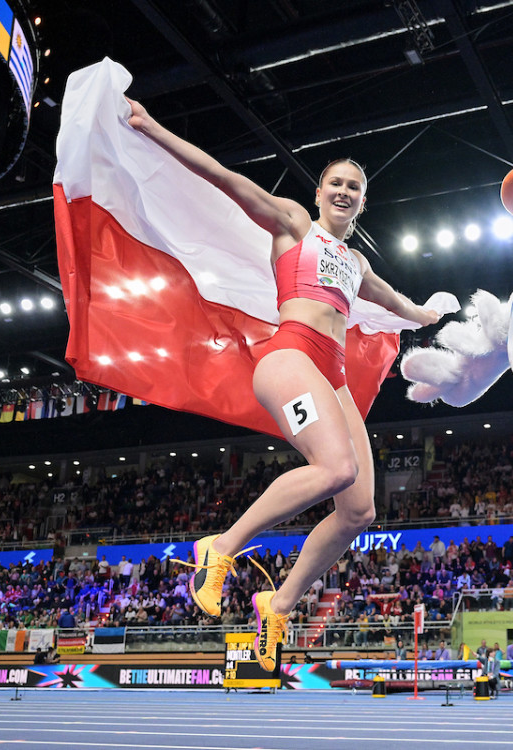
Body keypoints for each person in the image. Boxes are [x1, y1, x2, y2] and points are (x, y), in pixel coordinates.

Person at [126, 101, 442, 673]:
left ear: (363, 201)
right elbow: (225, 179)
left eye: (355, 187)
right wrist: (153, 129)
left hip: (334, 375)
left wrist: (424, 314)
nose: (344, 192)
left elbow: (393, 302)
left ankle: (279, 602)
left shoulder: (357, 264)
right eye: (336, 183)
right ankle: (218, 548)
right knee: (335, 469)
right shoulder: (296, 223)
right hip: (290, 356)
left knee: (360, 510)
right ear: (320, 192)